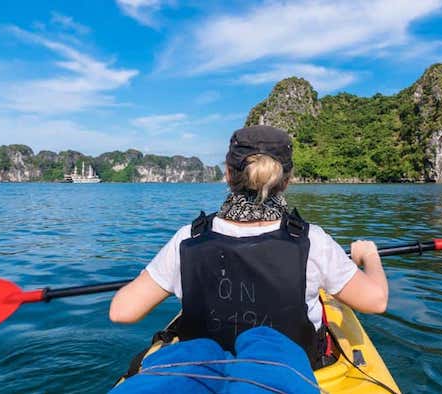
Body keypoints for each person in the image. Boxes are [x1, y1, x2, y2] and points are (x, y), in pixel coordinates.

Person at [109, 125, 388, 367]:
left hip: (206, 373)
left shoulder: (189, 238)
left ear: (228, 174)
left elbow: (121, 311)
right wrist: (370, 255)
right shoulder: (310, 240)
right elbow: (376, 301)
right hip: (289, 375)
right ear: (287, 180)